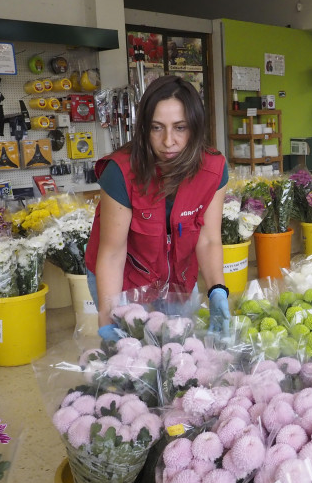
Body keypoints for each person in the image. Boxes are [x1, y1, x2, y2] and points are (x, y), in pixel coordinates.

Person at [84, 75, 231, 334]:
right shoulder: (120, 172)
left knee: (181, 354)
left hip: (179, 281)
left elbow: (208, 239)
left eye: (180, 127)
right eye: (157, 127)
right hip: (124, 279)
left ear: (195, 127)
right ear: (144, 128)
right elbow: (112, 254)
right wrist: (108, 318)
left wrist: (217, 290)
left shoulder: (213, 169)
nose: (168, 141)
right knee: (134, 361)